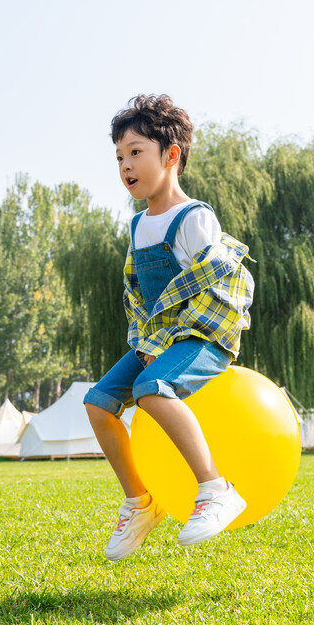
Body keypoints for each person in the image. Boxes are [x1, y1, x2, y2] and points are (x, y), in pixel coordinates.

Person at [83, 94, 255, 561]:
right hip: (158, 342)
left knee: (152, 388)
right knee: (98, 403)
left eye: (136, 152)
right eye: (119, 156)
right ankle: (140, 502)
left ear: (171, 155)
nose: (125, 165)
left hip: (204, 339)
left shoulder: (194, 218)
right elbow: (140, 299)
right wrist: (147, 343)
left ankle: (217, 489)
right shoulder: (138, 225)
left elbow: (221, 286)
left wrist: (169, 345)